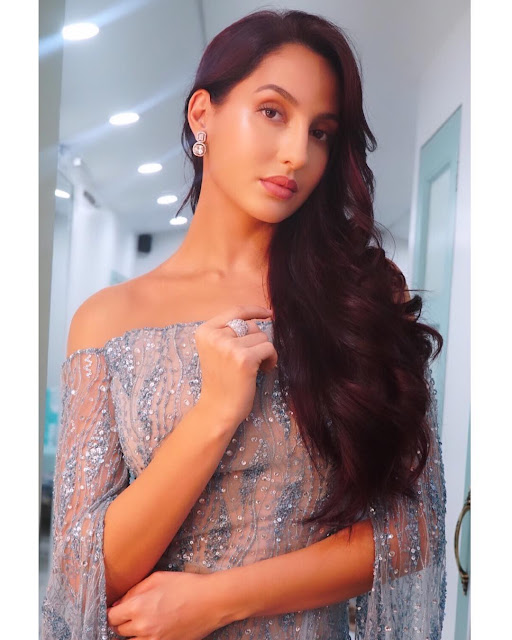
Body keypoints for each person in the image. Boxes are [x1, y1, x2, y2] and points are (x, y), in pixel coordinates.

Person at [41, 8, 446, 640]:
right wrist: (214, 414)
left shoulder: (361, 298)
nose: (296, 154)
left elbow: (411, 530)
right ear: (202, 114)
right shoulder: (109, 320)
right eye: (273, 112)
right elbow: (84, 573)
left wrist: (218, 601)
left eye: (321, 132)